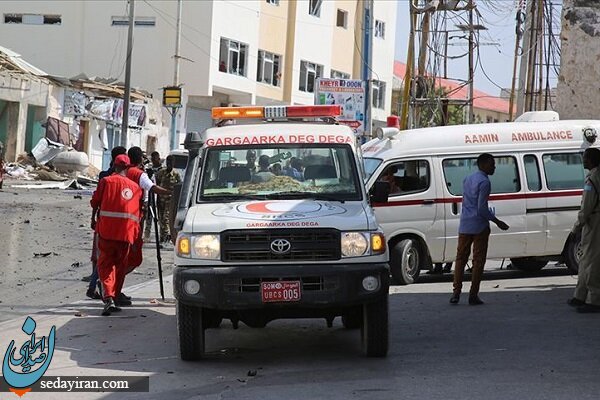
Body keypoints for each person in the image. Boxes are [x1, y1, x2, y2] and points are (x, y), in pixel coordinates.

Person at [450, 153, 509, 305]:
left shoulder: (468, 178)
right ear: (483, 165)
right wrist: (497, 221)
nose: (494, 167)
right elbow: (482, 208)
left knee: (460, 259)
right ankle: (473, 294)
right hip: (479, 226)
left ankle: (456, 293)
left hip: (465, 224)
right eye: (492, 164)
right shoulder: (484, 182)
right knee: (478, 261)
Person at [90, 154, 142, 316]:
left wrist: (92, 218)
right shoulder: (136, 188)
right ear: (128, 167)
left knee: (105, 265)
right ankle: (115, 295)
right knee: (119, 266)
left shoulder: (106, 182)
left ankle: (109, 297)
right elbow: (138, 214)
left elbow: (95, 202)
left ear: (113, 165)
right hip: (126, 234)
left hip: (106, 232)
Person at [87, 146, 127, 300]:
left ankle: (97, 286)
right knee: (109, 258)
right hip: (117, 225)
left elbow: (96, 201)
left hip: (103, 221)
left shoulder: (104, 176)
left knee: (101, 256)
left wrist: (93, 218)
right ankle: (107, 291)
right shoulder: (120, 179)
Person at [568, 148, 600, 313]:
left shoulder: (592, 179)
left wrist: (576, 228)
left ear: (592, 160)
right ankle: (580, 295)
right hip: (594, 223)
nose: (583, 161)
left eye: (586, 158)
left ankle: (594, 300)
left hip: (593, 224)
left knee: (591, 263)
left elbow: (586, 208)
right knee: (587, 260)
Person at [155, 155, 181, 243]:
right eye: (168, 162)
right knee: (161, 219)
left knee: (166, 218)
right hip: (161, 200)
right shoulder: (161, 173)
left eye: (171, 163)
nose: (169, 164)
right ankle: (162, 236)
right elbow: (157, 183)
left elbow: (179, 187)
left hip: (170, 201)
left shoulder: (176, 174)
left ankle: (166, 237)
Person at [143, 151, 162, 241]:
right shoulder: (148, 170)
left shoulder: (162, 170)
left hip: (161, 195)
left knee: (162, 216)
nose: (154, 161)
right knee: (149, 215)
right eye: (152, 160)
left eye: (155, 159)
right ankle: (147, 234)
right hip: (151, 194)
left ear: (158, 159)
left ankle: (162, 235)